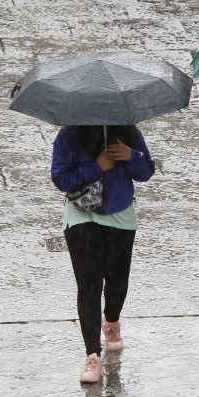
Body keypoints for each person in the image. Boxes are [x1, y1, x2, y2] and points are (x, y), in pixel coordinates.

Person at [51, 124, 155, 382]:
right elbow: (60, 178)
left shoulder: (128, 132)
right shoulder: (68, 135)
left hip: (120, 213)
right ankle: (92, 355)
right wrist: (97, 166)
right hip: (81, 214)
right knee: (89, 284)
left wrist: (130, 156)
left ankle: (111, 320)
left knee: (118, 283)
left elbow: (146, 171)